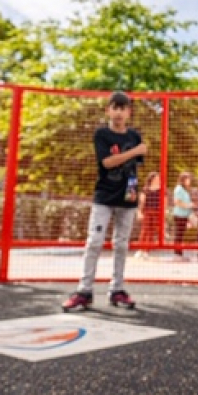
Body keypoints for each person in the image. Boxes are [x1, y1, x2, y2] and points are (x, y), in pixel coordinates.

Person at [62, 91, 147, 311]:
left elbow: (134, 168)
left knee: (121, 245)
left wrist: (137, 194)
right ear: (108, 110)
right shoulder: (102, 135)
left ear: (129, 112)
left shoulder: (134, 136)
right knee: (95, 242)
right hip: (104, 197)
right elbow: (108, 162)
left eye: (123, 108)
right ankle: (84, 290)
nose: (118, 113)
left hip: (127, 197)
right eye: (114, 108)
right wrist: (135, 151)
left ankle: (117, 289)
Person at [137, 172, 163, 245]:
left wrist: (163, 213)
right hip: (147, 211)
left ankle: (147, 249)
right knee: (145, 229)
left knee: (153, 230)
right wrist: (139, 212)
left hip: (157, 212)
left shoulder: (162, 189)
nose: (158, 180)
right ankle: (141, 248)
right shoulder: (146, 189)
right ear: (151, 179)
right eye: (156, 178)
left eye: (158, 178)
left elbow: (165, 202)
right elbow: (142, 202)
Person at [171, 171, 194, 247]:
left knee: (181, 234)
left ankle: (179, 252)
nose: (189, 181)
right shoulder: (179, 189)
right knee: (178, 234)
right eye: (188, 179)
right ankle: (177, 253)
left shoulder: (185, 190)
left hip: (184, 215)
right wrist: (188, 205)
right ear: (183, 180)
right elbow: (177, 202)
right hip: (179, 215)